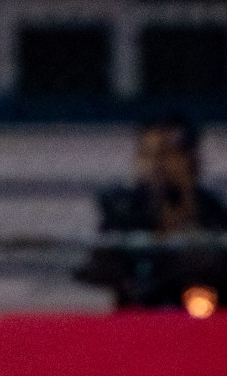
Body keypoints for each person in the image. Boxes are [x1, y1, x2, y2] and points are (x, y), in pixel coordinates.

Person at [77, 116, 227, 307]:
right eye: (146, 154)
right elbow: (100, 265)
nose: (156, 165)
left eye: (166, 154)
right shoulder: (123, 213)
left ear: (192, 161)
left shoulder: (214, 214)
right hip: (138, 322)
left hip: (199, 320)